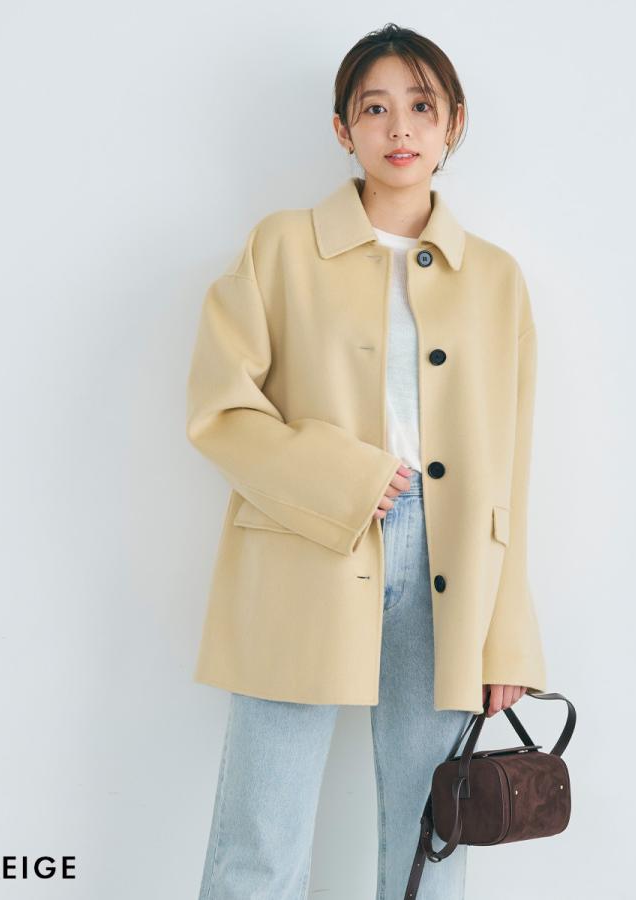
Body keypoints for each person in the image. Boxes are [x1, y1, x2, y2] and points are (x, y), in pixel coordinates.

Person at [187, 22, 547, 900]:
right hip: (305, 545)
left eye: (421, 106)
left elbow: (512, 467)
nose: (400, 128)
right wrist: (343, 478)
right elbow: (219, 411)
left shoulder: (495, 279)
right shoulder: (280, 246)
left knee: (434, 838)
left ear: (453, 122)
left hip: (451, 569)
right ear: (343, 129)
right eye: (375, 108)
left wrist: (508, 633)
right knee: (261, 835)